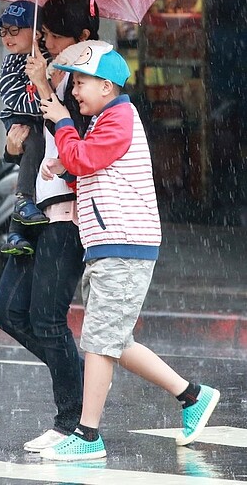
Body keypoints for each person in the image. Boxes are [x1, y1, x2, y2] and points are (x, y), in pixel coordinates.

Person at [38, 41, 220, 461]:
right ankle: (193, 396)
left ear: (106, 85)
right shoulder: (107, 117)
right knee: (115, 339)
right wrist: (65, 164)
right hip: (111, 243)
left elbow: (85, 160)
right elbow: (91, 170)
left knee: (99, 341)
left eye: (81, 82)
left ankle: (87, 436)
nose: (76, 90)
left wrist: (63, 124)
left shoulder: (119, 117)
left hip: (123, 244)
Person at [0, 0, 100, 453]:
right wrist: (13, 146)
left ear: (83, 37)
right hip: (35, 207)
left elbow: (73, 137)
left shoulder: (93, 81)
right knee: (8, 311)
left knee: (48, 319)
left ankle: (74, 422)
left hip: (67, 215)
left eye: (55, 38)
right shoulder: (51, 70)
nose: (48, 45)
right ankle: (76, 379)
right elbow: (28, 133)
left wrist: (48, 86)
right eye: (46, 36)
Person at [0, 0, 50, 256]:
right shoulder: (11, 64)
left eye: (15, 30)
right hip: (20, 120)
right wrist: (43, 89)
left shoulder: (46, 57)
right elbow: (16, 101)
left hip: (38, 122)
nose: (7, 37)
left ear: (37, 33)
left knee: (32, 163)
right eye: (3, 30)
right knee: (33, 144)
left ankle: (15, 233)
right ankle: (22, 198)